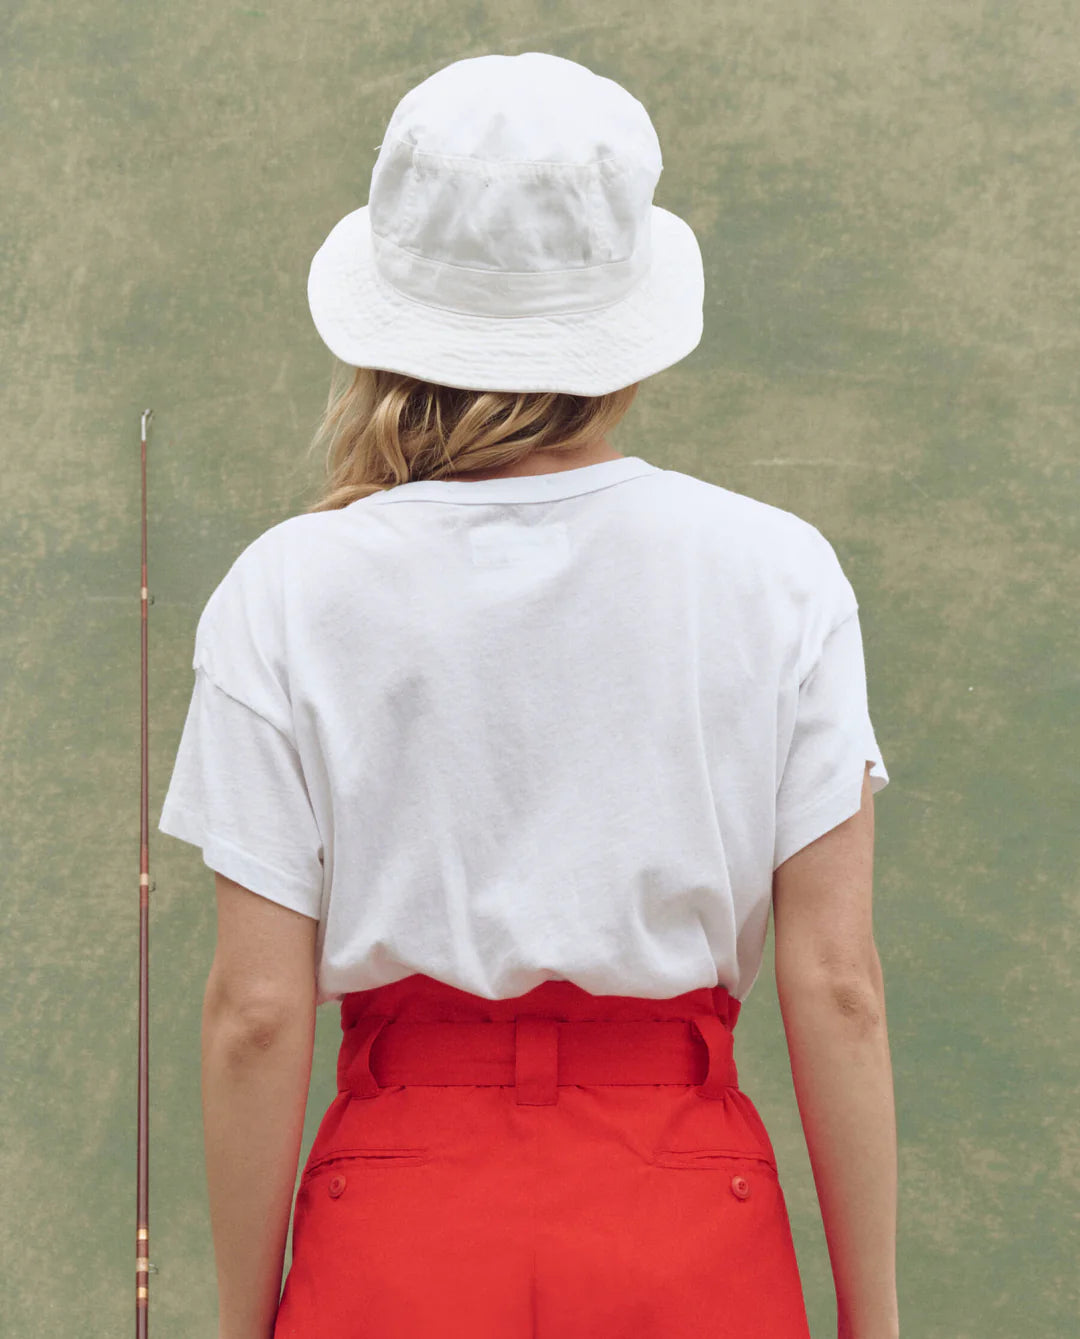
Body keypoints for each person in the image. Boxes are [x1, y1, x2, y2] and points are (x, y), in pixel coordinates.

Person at [158, 50, 899, 1339]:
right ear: (625, 317)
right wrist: (873, 1321)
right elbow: (837, 982)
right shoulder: (779, 572)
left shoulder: (285, 589)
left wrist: (241, 1324)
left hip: (397, 1225)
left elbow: (257, 1014)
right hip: (682, 1218)